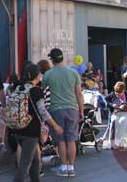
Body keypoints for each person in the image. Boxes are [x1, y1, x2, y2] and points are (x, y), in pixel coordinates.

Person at [11, 63, 63, 182]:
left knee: (35, 162)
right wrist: (55, 126)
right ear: (37, 75)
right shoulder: (35, 91)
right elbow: (43, 112)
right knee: (25, 165)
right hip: (30, 131)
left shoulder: (19, 88)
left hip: (18, 129)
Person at [42, 48, 84, 177]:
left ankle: (64, 166)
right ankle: (71, 168)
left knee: (60, 140)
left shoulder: (48, 74)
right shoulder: (73, 73)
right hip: (72, 109)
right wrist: (81, 110)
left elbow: (42, 91)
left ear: (52, 59)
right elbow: (79, 93)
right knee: (71, 139)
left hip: (56, 110)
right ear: (62, 58)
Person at [104, 82, 127, 148]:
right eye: (116, 94)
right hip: (115, 113)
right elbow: (105, 100)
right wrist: (112, 105)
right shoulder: (112, 94)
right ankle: (111, 142)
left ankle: (118, 141)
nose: (117, 95)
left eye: (119, 94)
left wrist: (125, 105)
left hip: (125, 113)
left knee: (122, 121)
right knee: (113, 121)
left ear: (123, 91)